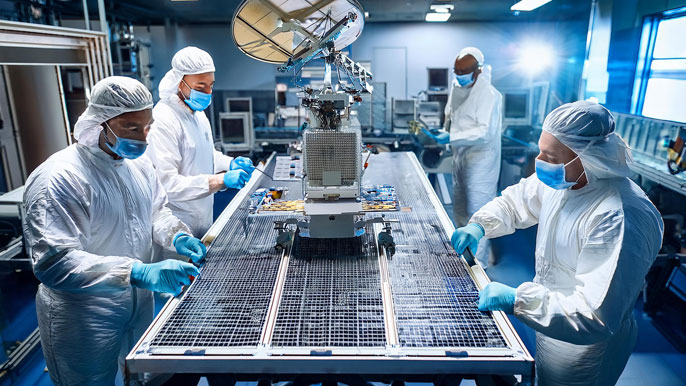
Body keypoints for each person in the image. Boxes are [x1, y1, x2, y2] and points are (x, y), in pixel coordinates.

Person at [451, 101, 664, 386]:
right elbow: (516, 202)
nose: (539, 161)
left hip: (584, 350)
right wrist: (479, 226)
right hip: (548, 320)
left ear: (586, 157)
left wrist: (518, 300)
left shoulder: (618, 215)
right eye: (541, 150)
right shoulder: (565, 179)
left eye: (549, 155)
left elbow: (595, 315)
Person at [23, 76, 208, 385]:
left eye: (147, 127)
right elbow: (55, 262)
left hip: (137, 305)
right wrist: (136, 272)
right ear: (101, 123)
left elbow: (156, 214)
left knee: (142, 377)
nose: (143, 138)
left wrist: (177, 235)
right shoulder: (60, 178)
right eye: (131, 129)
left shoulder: (139, 166)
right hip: (83, 315)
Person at [146, 46, 254, 240]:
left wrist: (229, 163)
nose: (207, 92)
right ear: (180, 82)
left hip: (204, 216)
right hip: (176, 228)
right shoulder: (163, 120)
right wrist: (220, 180)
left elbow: (206, 153)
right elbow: (167, 185)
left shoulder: (197, 114)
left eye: (211, 85)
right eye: (200, 87)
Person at [423, 46, 502, 267]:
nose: (459, 75)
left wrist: (451, 136)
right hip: (460, 157)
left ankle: (481, 265)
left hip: (481, 162)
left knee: (478, 214)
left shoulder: (489, 94)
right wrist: (442, 132)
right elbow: (451, 115)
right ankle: (463, 257)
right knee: (459, 208)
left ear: (477, 71)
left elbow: (484, 132)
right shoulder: (457, 87)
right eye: (456, 71)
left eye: (463, 71)